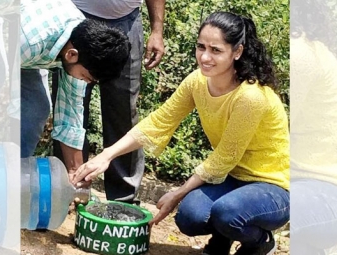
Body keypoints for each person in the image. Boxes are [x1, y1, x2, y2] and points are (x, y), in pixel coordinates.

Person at [72, 11, 290, 255]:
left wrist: (178, 192)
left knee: (227, 213)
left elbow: (223, 158)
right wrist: (107, 155)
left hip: (272, 187)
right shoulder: (197, 81)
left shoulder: (251, 96)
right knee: (190, 217)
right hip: (231, 180)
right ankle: (221, 240)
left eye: (216, 50)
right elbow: (159, 121)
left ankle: (259, 242)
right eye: (201, 47)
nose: (205, 57)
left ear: (237, 52)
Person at [51, 0, 165, 204]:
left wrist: (157, 29)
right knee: (68, 108)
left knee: (123, 113)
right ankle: (66, 191)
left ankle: (123, 200)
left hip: (126, 22)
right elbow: (66, 114)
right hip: (78, 17)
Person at [19, 0, 131, 178]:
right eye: (87, 78)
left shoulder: (79, 46)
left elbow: (70, 115)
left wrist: (76, 173)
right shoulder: (28, 42)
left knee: (37, 107)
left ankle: (13, 169)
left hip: (24, 55)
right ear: (72, 55)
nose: (86, 83)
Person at [290, 0, 337, 254]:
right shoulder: (311, 48)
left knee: (274, 208)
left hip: (327, 191)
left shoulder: (303, 53)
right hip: (307, 187)